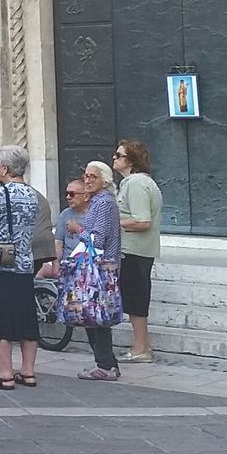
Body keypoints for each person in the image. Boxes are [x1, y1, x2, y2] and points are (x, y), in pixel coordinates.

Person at [0, 145, 43, 390]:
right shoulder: (32, 194)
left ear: (4, 168)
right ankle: (28, 371)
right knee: (26, 317)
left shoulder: (0, 193)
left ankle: (4, 374)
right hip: (23, 262)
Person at [73, 160, 125, 381]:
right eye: (85, 176)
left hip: (99, 267)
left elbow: (98, 238)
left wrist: (79, 230)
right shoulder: (101, 201)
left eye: (92, 176)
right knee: (95, 315)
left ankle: (104, 365)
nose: (87, 180)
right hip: (101, 266)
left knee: (95, 316)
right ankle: (107, 363)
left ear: (104, 181)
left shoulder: (103, 203)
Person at [115, 139, 163, 363]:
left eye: (119, 155)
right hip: (138, 250)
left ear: (131, 161)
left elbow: (142, 221)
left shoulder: (135, 184)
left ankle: (141, 348)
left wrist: (114, 223)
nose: (114, 158)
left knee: (136, 301)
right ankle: (142, 346)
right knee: (136, 300)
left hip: (134, 251)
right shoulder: (139, 183)